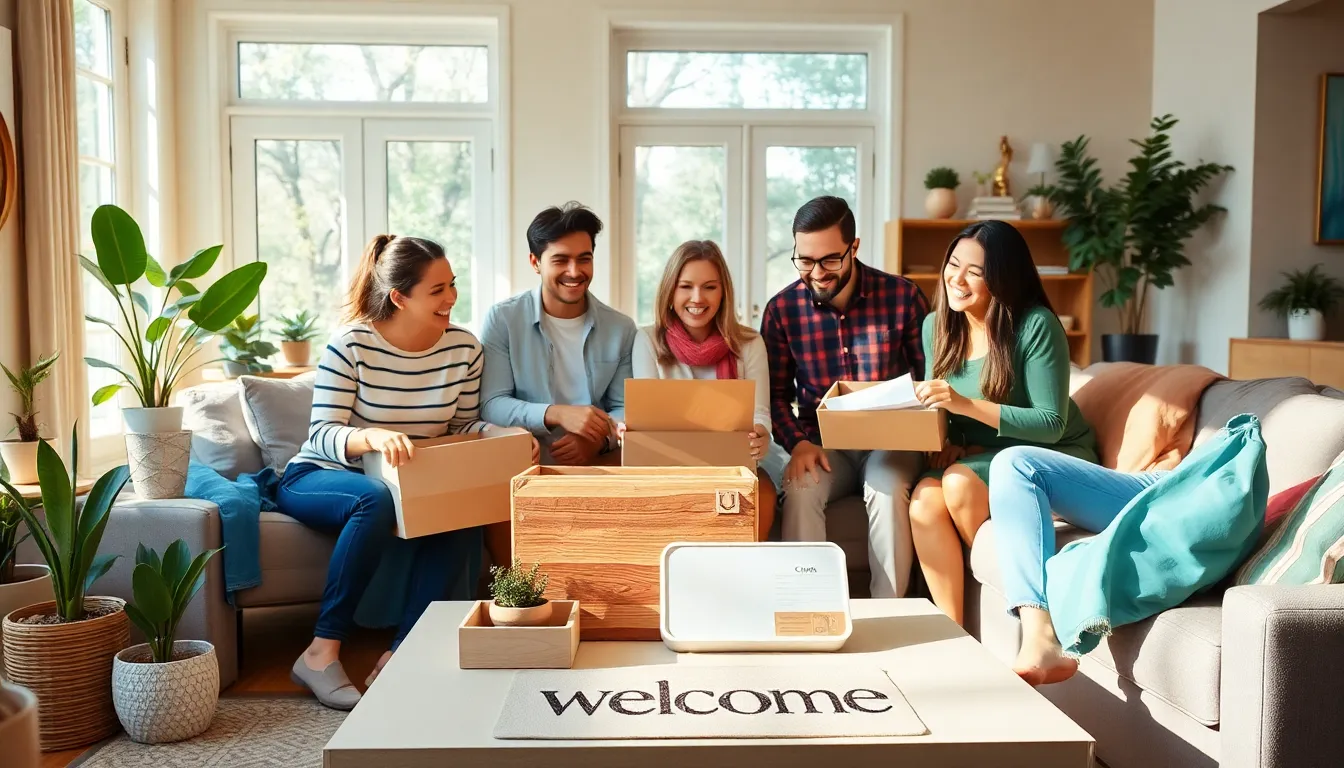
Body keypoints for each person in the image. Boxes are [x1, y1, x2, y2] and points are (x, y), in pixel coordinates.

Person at [280, 234, 538, 711]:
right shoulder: (352, 345)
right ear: (400, 296)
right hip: (322, 475)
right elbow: (321, 434)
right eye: (437, 290)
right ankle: (320, 652)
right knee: (371, 498)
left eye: (452, 285)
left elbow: (460, 425)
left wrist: (500, 435)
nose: (452, 298)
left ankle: (403, 653)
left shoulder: (462, 349)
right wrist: (372, 436)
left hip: (410, 484)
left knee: (462, 512)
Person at [908, 219, 1097, 629]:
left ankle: (1015, 588)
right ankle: (951, 630)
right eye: (953, 264)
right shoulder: (935, 326)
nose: (957, 279)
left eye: (975, 272)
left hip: (1050, 454)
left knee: (956, 484)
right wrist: (949, 437)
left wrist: (965, 405)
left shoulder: (1035, 325)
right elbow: (943, 407)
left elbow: (1050, 423)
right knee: (924, 496)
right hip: (985, 455)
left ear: (1001, 278)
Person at [762, 195, 930, 598]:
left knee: (887, 487)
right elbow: (776, 397)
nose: (816, 273)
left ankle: (890, 613)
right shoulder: (782, 310)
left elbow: (930, 381)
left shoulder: (903, 298)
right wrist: (798, 443)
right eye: (805, 260)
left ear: (854, 248)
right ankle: (808, 609)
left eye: (829, 260)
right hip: (821, 445)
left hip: (892, 443)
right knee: (800, 490)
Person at [480, 203, 638, 560]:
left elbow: (623, 406)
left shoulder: (621, 328)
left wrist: (596, 441)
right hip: (522, 462)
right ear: (535, 262)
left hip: (595, 461)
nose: (574, 271)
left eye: (584, 259)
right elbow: (492, 403)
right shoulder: (504, 319)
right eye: (560, 260)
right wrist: (557, 413)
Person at [631, 240, 778, 539]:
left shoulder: (749, 343)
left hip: (734, 464)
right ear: (670, 291)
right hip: (669, 466)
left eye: (710, 287)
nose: (697, 298)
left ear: (723, 292)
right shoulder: (647, 340)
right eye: (686, 286)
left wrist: (761, 433)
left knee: (764, 495)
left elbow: (760, 413)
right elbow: (649, 422)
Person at [987, 447, 1165, 686]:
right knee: (1011, 467)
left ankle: (1041, 636)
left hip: (1194, 484)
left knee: (1017, 464)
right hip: (1185, 476)